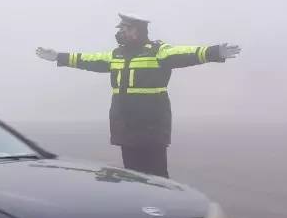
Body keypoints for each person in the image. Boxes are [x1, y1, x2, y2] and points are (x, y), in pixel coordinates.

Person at [35, 14, 241, 178]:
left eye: (126, 29)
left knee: (157, 177)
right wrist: (58, 57)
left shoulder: (158, 51)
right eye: (121, 29)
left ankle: (166, 213)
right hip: (125, 126)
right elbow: (87, 59)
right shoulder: (116, 55)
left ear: (139, 31)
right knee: (133, 176)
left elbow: (185, 54)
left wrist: (214, 52)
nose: (122, 33)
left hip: (151, 126)